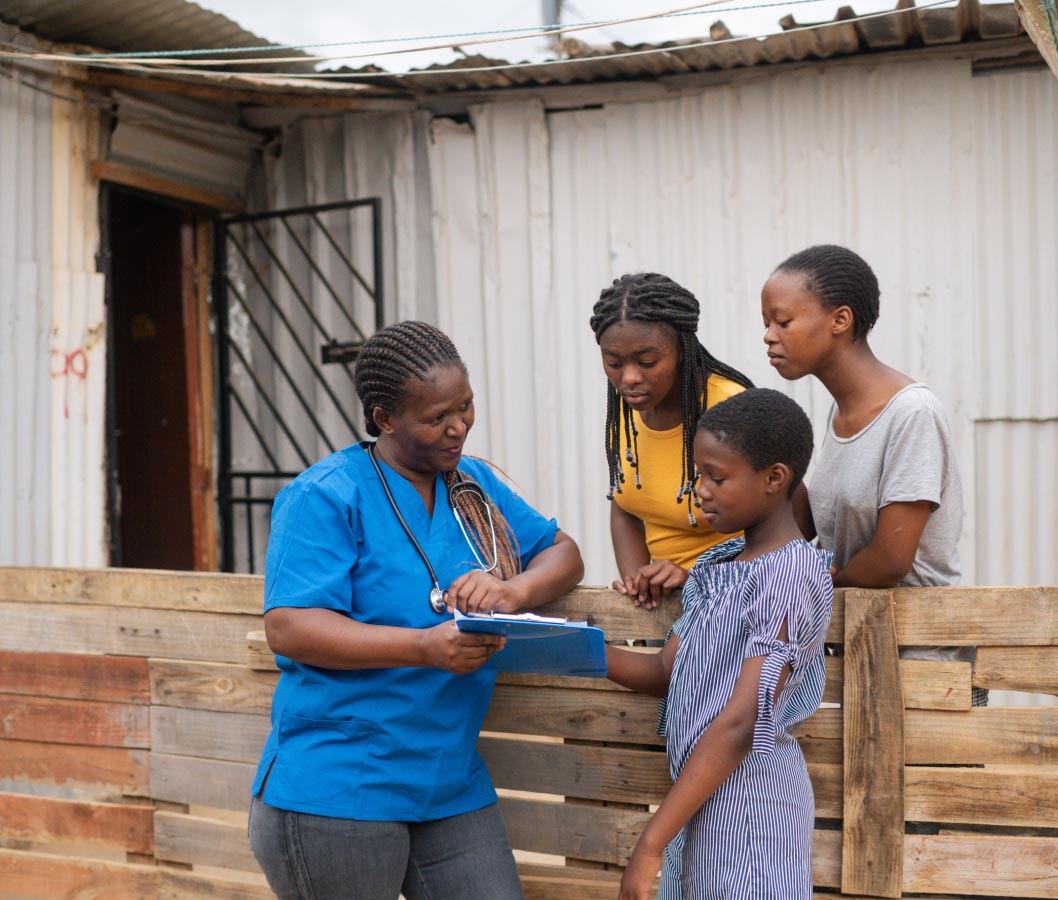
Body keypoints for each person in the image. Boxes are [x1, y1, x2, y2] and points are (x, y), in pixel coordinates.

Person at [248, 320, 584, 900]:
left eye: (466, 406)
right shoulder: (326, 494)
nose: (459, 427)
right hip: (342, 785)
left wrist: (512, 592)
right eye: (436, 417)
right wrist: (423, 647)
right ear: (384, 419)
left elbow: (563, 553)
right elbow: (289, 626)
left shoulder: (472, 485)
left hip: (447, 782)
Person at [607, 389, 834, 900]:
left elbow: (741, 723)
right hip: (701, 802)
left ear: (774, 478)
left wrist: (650, 845)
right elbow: (666, 672)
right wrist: (569, 649)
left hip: (753, 816)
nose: (700, 491)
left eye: (716, 477)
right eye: (697, 475)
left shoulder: (790, 575)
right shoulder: (719, 564)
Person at [760, 244, 983, 705]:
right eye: (767, 323)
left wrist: (812, 586)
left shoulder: (912, 414)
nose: (768, 336)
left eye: (782, 322)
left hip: (921, 666)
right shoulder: (839, 415)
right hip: (861, 652)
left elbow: (889, 560)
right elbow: (818, 529)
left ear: (840, 320)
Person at [589, 273, 754, 609]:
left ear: (681, 350)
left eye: (647, 362)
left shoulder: (731, 409)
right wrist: (639, 583)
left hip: (740, 604)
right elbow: (625, 506)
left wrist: (700, 578)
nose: (629, 378)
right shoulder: (626, 414)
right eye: (614, 363)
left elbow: (789, 517)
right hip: (667, 609)